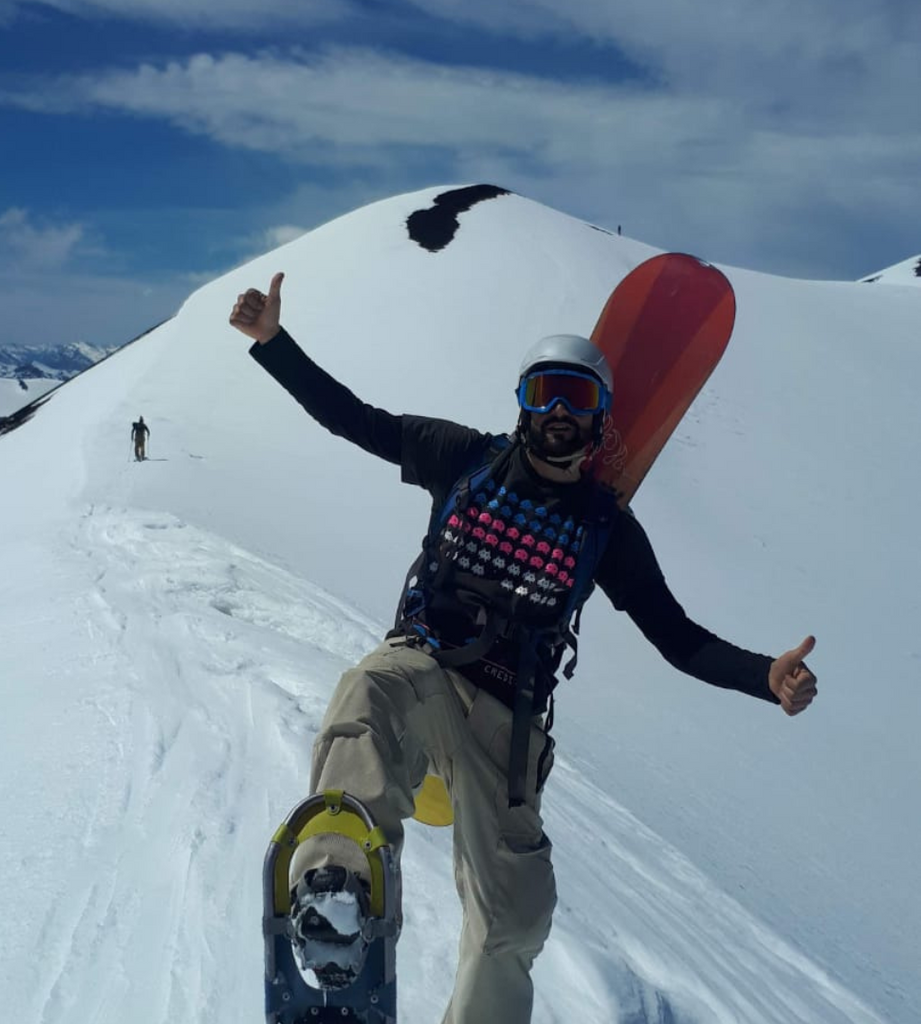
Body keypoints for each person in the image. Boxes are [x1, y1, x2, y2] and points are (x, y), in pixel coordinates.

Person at [230, 272, 818, 1024]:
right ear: (522, 402)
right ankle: (338, 895)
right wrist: (275, 346)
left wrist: (763, 678)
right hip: (423, 668)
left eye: (579, 398)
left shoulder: (606, 531)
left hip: (508, 727)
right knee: (365, 695)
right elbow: (356, 420)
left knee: (516, 920)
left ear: (604, 418)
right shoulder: (462, 459)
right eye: (546, 393)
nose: (560, 413)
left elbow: (679, 639)